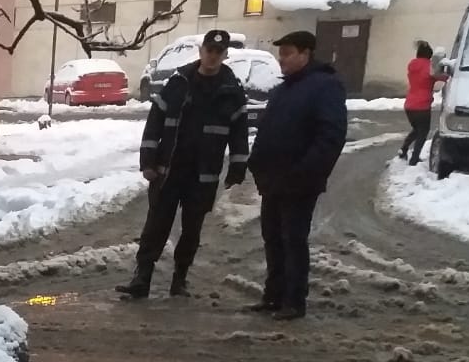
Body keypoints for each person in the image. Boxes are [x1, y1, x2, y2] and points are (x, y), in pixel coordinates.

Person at [116, 29, 250, 301]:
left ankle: (180, 280)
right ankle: (141, 279)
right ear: (200, 52)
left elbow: (239, 133)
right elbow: (154, 123)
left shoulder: (232, 92)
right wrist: (148, 162)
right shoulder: (178, 83)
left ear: (224, 56)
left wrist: (237, 168)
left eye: (218, 53)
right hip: (168, 171)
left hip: (203, 175)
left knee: (192, 230)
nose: (212, 57)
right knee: (155, 226)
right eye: (208, 51)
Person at [246, 30, 348, 322]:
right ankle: (273, 295)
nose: (282, 59)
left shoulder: (324, 86)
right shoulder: (283, 89)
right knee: (273, 238)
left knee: (293, 240)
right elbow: (267, 131)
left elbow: (331, 136)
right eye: (281, 53)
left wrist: (306, 172)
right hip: (273, 180)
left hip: (300, 182)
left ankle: (294, 301)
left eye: (288, 53)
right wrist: (257, 162)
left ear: (306, 54)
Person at [400, 41, 445, 166]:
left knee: (416, 129)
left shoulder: (412, 65)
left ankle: (403, 149)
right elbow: (442, 77)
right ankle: (414, 159)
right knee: (423, 131)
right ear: (429, 55)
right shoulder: (429, 66)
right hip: (422, 105)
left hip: (409, 105)